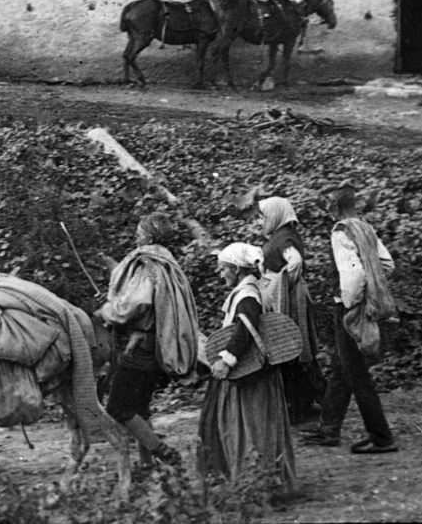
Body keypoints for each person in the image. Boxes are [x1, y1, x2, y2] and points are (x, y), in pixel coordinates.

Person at [95, 212, 198, 466]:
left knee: (119, 408)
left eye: (140, 232)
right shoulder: (165, 262)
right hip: (156, 345)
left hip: (137, 348)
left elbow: (136, 303)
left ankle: (162, 452)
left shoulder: (146, 263)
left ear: (149, 235)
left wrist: (106, 311)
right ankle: (146, 465)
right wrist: (114, 267)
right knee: (140, 408)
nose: (136, 236)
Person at [302, 183, 398, 453]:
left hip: (350, 309)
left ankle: (382, 437)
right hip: (361, 305)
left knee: (356, 374)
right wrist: (373, 286)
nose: (325, 209)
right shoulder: (364, 227)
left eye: (326, 204)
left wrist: (351, 302)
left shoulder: (341, 231)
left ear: (334, 206)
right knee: (343, 368)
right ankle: (328, 429)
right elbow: (387, 264)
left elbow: (353, 274)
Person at [198, 242, 297, 493]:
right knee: (249, 425)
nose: (221, 275)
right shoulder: (250, 290)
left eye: (223, 269)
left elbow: (246, 329)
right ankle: (254, 479)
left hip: (250, 375)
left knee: (249, 427)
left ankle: (254, 482)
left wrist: (227, 360)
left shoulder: (247, 296)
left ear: (236, 269)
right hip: (254, 373)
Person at [256, 196, 325, 425]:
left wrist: (279, 283)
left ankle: (301, 406)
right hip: (285, 297)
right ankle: (305, 402)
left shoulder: (285, 238)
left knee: (291, 349)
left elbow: (294, 263)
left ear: (277, 214)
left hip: (289, 300)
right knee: (291, 349)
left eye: (265, 215)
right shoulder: (281, 235)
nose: (262, 220)